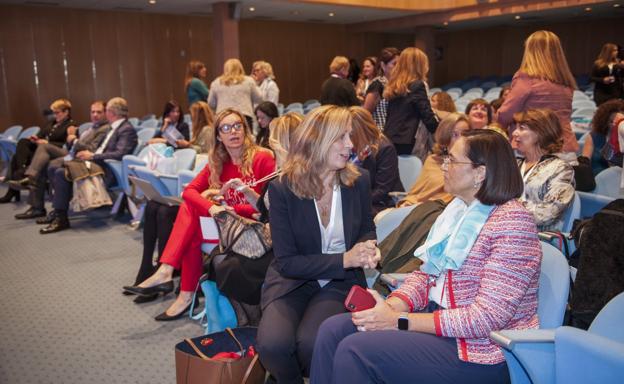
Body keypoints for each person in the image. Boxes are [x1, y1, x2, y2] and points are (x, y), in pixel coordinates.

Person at [310, 129, 541, 384]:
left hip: (480, 349)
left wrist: (399, 320)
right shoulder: (456, 211)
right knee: (332, 331)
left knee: (355, 350)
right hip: (440, 325)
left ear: (480, 173)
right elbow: (425, 275)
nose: (444, 165)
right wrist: (393, 306)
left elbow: (484, 319)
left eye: (452, 160)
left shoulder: (512, 224)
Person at [256, 105, 379, 384]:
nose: (350, 145)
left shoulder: (357, 182)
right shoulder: (282, 188)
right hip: (293, 281)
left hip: (340, 282)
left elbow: (365, 229)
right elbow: (287, 262)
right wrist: (346, 258)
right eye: (341, 137)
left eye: (350, 136)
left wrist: (368, 246)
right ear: (316, 140)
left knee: (311, 343)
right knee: (272, 346)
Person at [124, 108, 276, 321]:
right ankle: (178, 286)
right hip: (224, 223)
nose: (233, 131)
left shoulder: (263, 158)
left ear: (245, 129)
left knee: (191, 219)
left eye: (237, 126)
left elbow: (268, 206)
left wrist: (231, 208)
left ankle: (174, 280)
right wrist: (212, 206)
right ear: (218, 135)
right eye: (225, 128)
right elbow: (189, 191)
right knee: (191, 211)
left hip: (250, 227)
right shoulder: (218, 161)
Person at [125, 101, 215, 300]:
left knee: (164, 211)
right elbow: (193, 187)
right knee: (153, 206)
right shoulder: (214, 154)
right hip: (196, 198)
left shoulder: (212, 144)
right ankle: (146, 269)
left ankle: (161, 271)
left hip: (209, 208)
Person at [39, 97, 138, 234]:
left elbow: (120, 154)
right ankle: (58, 213)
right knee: (58, 168)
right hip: (97, 164)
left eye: (106, 110)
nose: (103, 114)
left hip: (109, 171)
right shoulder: (113, 127)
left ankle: (61, 217)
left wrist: (92, 156)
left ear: (112, 112)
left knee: (61, 173)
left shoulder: (126, 129)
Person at [11, 101, 111, 220]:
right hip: (71, 153)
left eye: (99, 112)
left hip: (82, 157)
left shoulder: (104, 128)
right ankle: (37, 206)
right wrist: (71, 141)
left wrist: (73, 139)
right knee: (40, 160)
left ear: (106, 113)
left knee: (44, 150)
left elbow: (91, 149)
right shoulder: (91, 127)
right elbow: (71, 146)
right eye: (92, 112)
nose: (94, 115)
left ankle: (33, 186)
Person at [497, 30, 578, 153]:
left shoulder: (526, 77)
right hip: (565, 146)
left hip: (533, 148)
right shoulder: (565, 82)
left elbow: (505, 115)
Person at [0, 99, 75, 204]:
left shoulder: (71, 125)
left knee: (16, 157)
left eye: (57, 112)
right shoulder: (51, 124)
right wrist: (35, 138)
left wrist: (47, 143)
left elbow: (68, 146)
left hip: (54, 153)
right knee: (22, 142)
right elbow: (40, 135)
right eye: (54, 112)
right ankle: (22, 171)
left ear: (66, 112)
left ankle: (14, 189)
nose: (55, 115)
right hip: (41, 151)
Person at [512, 109, 575, 231]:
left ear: (540, 132)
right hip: (508, 231)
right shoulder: (514, 164)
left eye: (522, 128)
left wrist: (509, 208)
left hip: (540, 239)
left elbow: (548, 213)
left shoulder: (561, 169)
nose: (514, 133)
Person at [397, 113, 471, 208]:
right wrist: (409, 202)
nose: (460, 140)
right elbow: (417, 192)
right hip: (418, 208)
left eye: (465, 134)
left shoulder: (470, 167)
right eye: (455, 135)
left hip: (440, 212)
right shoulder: (432, 160)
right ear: (445, 136)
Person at [383, 47, 438, 155]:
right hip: (407, 139)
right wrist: (439, 131)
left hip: (390, 136)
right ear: (419, 65)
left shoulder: (395, 85)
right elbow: (426, 113)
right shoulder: (417, 85)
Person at [348, 106, 402, 215]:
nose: (348, 139)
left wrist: (354, 200)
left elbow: (382, 191)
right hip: (361, 198)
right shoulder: (350, 148)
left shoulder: (385, 148)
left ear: (361, 131)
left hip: (382, 203)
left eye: (350, 134)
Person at [208, 59, 263, 128]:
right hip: (244, 116)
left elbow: (211, 103)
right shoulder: (249, 81)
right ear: (240, 68)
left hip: (223, 116)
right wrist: (256, 83)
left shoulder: (216, 82)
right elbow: (259, 98)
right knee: (245, 138)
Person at [582, 99, 624, 175]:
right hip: (597, 180)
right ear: (605, 121)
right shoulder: (594, 137)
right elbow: (584, 162)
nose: (615, 124)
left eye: (619, 121)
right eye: (611, 121)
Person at [363, 47, 400, 130]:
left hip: (393, 134)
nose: (398, 68)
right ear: (383, 65)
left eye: (400, 65)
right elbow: (365, 114)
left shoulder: (396, 84)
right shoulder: (378, 84)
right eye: (394, 64)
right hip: (380, 135)